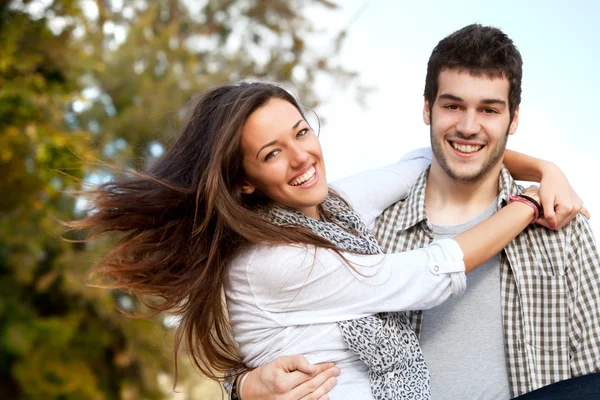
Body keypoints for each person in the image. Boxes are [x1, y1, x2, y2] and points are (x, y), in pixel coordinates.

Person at [73, 81, 582, 400]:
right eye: (271, 153)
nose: (300, 157)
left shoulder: (333, 206)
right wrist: (530, 204)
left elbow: (422, 157)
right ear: (244, 181)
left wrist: (543, 168)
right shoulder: (271, 259)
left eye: (300, 132)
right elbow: (431, 272)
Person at [242, 24, 600, 400]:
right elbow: (272, 340)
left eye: (489, 110)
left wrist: (546, 169)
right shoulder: (369, 233)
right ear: (428, 109)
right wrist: (242, 386)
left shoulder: (561, 227)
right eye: (452, 106)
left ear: (513, 120)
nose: (467, 126)